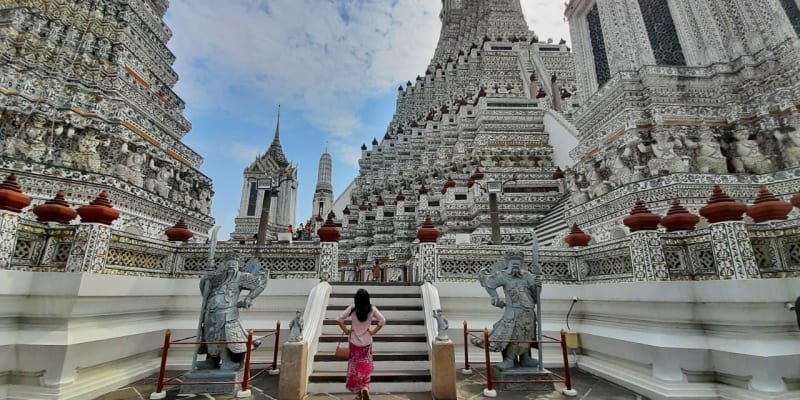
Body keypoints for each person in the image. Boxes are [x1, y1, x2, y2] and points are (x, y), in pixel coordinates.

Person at [478, 250, 542, 371]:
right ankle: (509, 359)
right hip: (513, 312)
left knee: (527, 335)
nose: (516, 265)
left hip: (529, 313)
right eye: (513, 263)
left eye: (518, 263)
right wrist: (495, 298)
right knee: (514, 337)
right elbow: (488, 283)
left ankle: (525, 358)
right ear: (507, 263)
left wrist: (538, 286)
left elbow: (536, 297)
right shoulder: (503, 276)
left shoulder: (527, 276)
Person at [336, 289, 386, 400]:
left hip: (354, 343)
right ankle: (365, 388)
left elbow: (339, 319)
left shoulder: (352, 308)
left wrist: (346, 330)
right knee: (365, 367)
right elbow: (382, 320)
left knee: (355, 369)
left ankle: (359, 393)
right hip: (367, 344)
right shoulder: (372, 309)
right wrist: (373, 332)